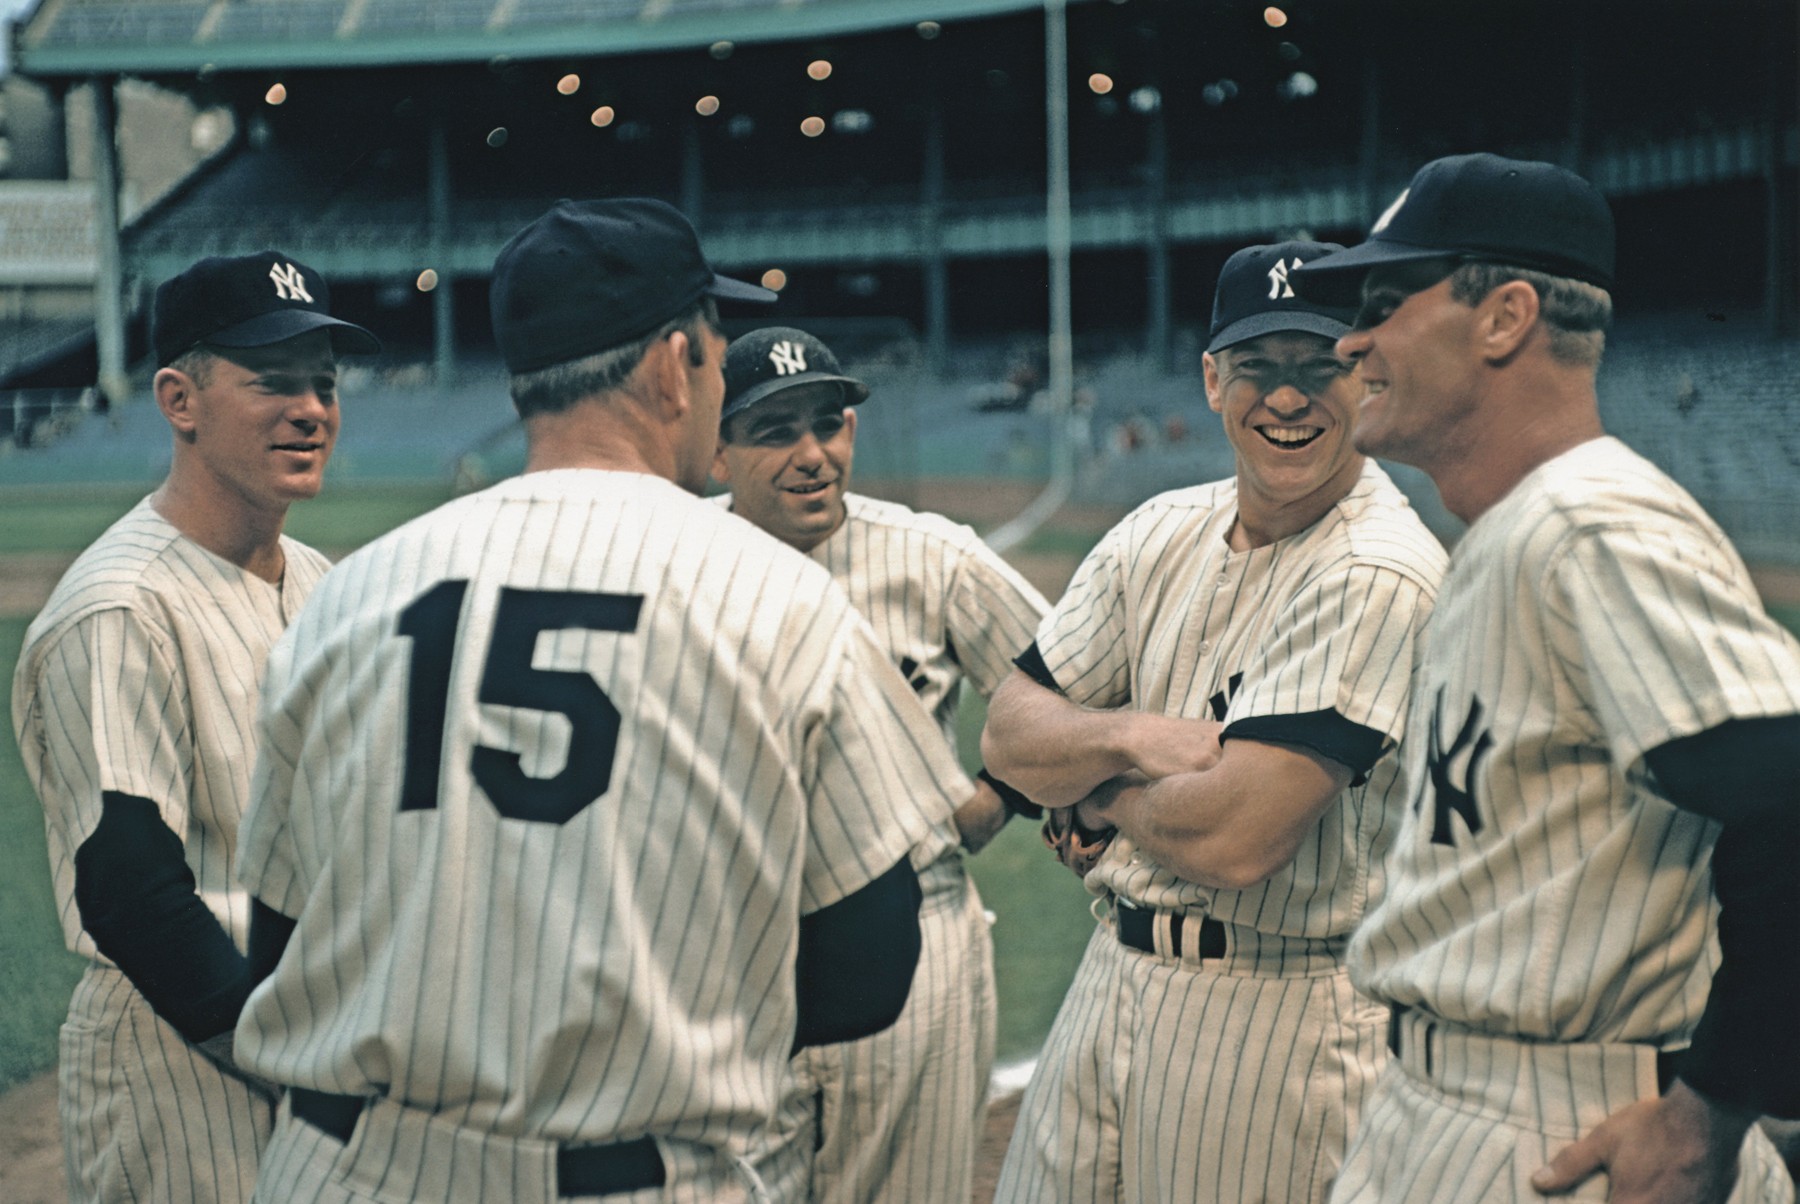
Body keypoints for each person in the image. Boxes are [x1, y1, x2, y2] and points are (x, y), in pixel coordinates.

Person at [230, 199, 976, 1204]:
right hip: (625, 1173)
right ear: (675, 366)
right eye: (717, 355)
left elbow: (278, 936)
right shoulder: (781, 595)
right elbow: (874, 963)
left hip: (342, 1166)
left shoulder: (348, 594)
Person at [1288, 153, 1800, 1204]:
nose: (1350, 341)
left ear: (1505, 316)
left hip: (1567, 1124)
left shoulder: (1591, 523)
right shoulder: (1519, 533)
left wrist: (1709, 1115)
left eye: (1385, 303)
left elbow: (1791, 800)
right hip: (1466, 1101)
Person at [983, 240, 1448, 1204]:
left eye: (1317, 366)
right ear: (1209, 380)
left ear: (1366, 371)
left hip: (1276, 1015)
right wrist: (1129, 742)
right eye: (1257, 368)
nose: (1286, 399)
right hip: (1109, 978)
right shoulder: (1159, 529)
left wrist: (1098, 794)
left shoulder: (1376, 569)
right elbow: (1009, 736)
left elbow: (1236, 837)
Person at [10, 251, 380, 1203]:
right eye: (271, 380)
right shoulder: (122, 606)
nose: (311, 408)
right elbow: (134, 892)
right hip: (183, 1056)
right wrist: (294, 1061)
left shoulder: (324, 583)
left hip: (314, 1042)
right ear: (180, 399)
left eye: (324, 383)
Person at [711, 325, 1051, 1203]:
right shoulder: (679, 562)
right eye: (776, 431)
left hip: (915, 932)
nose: (814, 453)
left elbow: (1075, 673)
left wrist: (1000, 793)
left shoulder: (928, 555)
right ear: (718, 453)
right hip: (730, 944)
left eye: (830, 424)